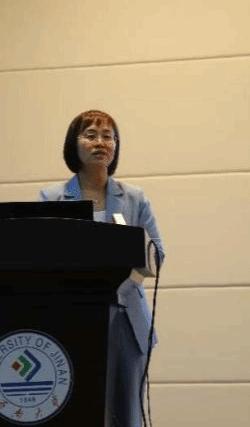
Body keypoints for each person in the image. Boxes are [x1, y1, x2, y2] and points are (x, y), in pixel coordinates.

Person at [38, 110, 164, 427]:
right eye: (91, 135)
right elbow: (42, 257)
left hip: (127, 315)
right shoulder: (52, 197)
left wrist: (120, 281)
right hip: (72, 316)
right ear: (73, 144)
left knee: (127, 413)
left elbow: (157, 254)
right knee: (80, 410)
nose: (100, 142)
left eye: (108, 136)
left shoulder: (134, 197)